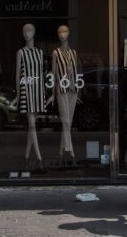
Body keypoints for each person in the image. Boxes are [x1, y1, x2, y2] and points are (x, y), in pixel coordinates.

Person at [15, 23, 46, 169]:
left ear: (34, 32)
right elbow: (17, 76)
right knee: (32, 123)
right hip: (26, 91)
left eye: (29, 30)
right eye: (25, 31)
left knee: (32, 124)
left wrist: (43, 91)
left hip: (38, 90)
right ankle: (39, 158)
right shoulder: (20, 52)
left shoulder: (39, 52)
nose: (27, 33)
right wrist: (18, 94)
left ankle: (26, 156)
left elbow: (40, 73)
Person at [50, 25, 80, 164]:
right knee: (66, 121)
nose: (63, 33)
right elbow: (54, 75)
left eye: (65, 31)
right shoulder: (55, 53)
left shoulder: (74, 53)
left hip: (73, 91)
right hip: (61, 90)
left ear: (69, 33)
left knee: (67, 122)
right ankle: (71, 153)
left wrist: (77, 90)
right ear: (57, 34)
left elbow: (74, 72)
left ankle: (61, 152)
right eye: (60, 31)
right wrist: (53, 94)